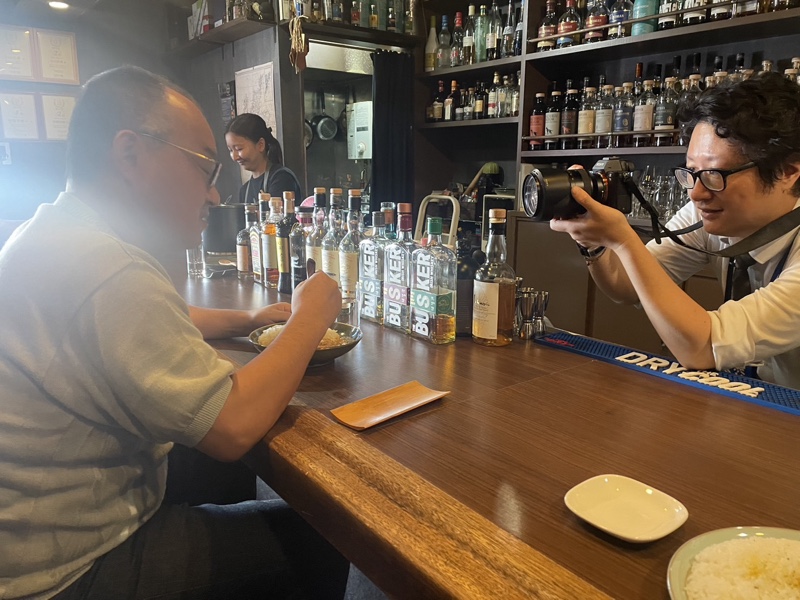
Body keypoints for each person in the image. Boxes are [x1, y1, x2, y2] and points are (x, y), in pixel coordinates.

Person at [0, 66, 349, 599]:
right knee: (321, 539)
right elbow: (232, 426)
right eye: (205, 167)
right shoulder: (106, 268)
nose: (214, 194)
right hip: (62, 573)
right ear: (129, 154)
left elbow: (162, 318)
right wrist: (310, 317)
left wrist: (250, 318)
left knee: (222, 473)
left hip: (35, 523)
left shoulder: (57, 234)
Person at [550, 72, 800, 390]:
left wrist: (623, 240)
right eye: (691, 172)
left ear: (788, 171)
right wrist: (592, 241)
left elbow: (702, 347)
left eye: (714, 174)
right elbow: (626, 287)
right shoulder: (709, 212)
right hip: (750, 399)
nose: (696, 193)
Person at [225, 113, 304, 204]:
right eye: (230, 150)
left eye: (239, 149)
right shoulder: (244, 191)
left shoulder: (282, 179)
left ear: (260, 145)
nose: (234, 157)